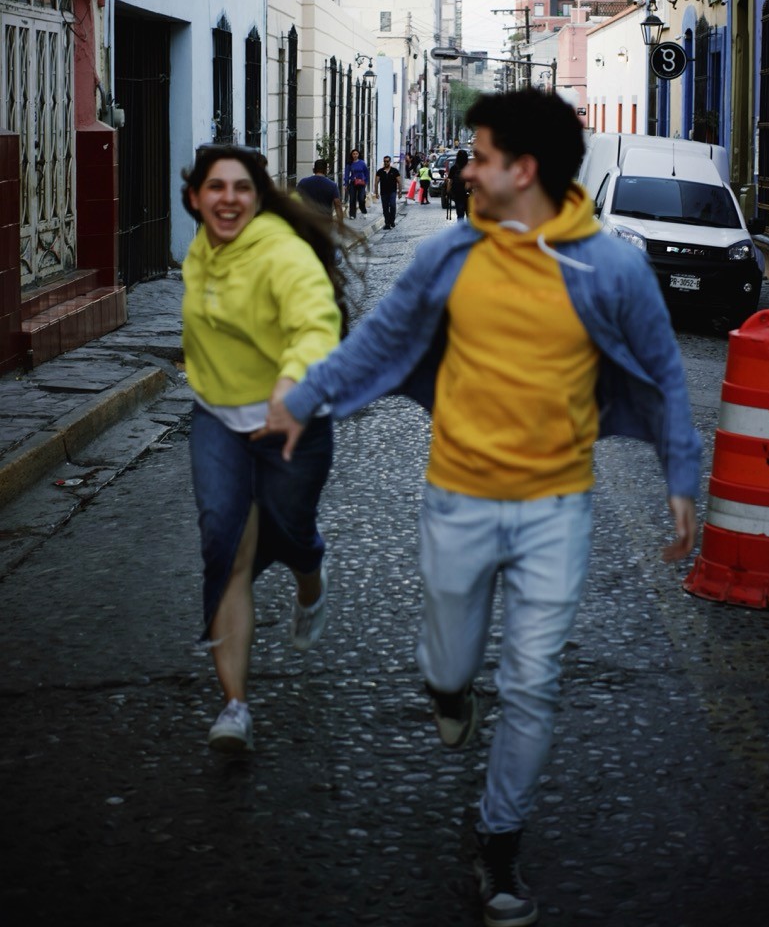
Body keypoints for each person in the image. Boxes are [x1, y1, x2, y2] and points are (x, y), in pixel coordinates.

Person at [256, 89, 700, 927]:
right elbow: (381, 341)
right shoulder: (450, 256)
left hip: (556, 507)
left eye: (480, 155)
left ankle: (499, 845)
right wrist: (304, 398)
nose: (465, 168)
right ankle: (448, 692)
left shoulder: (610, 268)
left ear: (521, 171)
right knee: (452, 665)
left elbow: (664, 370)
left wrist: (682, 476)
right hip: (456, 498)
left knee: (533, 684)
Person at [181, 143, 344, 756]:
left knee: (291, 531)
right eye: (215, 188)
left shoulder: (280, 252)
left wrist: (290, 381)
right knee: (225, 546)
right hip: (219, 417)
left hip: (293, 420)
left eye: (241, 188)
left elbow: (314, 320)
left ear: (257, 196)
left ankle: (312, 580)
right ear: (195, 198)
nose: (228, 199)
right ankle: (235, 707)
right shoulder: (199, 251)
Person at [296, 158, 344, 226]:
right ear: (326, 170)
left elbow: (295, 199)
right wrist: (341, 224)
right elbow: (337, 204)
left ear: (313, 170)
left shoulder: (303, 182)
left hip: (307, 220)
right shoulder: (332, 185)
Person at [374, 154, 402, 230]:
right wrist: (376, 193)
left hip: (392, 192)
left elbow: (399, 181)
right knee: (385, 208)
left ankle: (392, 221)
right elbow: (376, 182)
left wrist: (400, 192)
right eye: (385, 161)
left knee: (393, 206)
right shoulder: (380, 171)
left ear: (390, 162)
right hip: (384, 192)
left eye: (387, 161)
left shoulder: (394, 171)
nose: (386, 163)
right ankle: (387, 223)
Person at [344, 147, 369, 218]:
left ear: (358, 155)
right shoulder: (349, 163)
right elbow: (346, 174)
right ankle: (352, 215)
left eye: (356, 154)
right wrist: (345, 184)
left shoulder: (362, 163)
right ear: (351, 155)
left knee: (361, 198)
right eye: (353, 154)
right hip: (353, 182)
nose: (355, 155)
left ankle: (363, 210)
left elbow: (366, 173)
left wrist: (366, 181)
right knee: (352, 199)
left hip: (361, 183)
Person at [446, 148, 469, 221]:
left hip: (457, 192)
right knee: (469, 212)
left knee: (460, 213)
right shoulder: (469, 167)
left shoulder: (454, 168)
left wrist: (448, 191)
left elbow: (450, 180)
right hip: (467, 193)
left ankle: (461, 227)